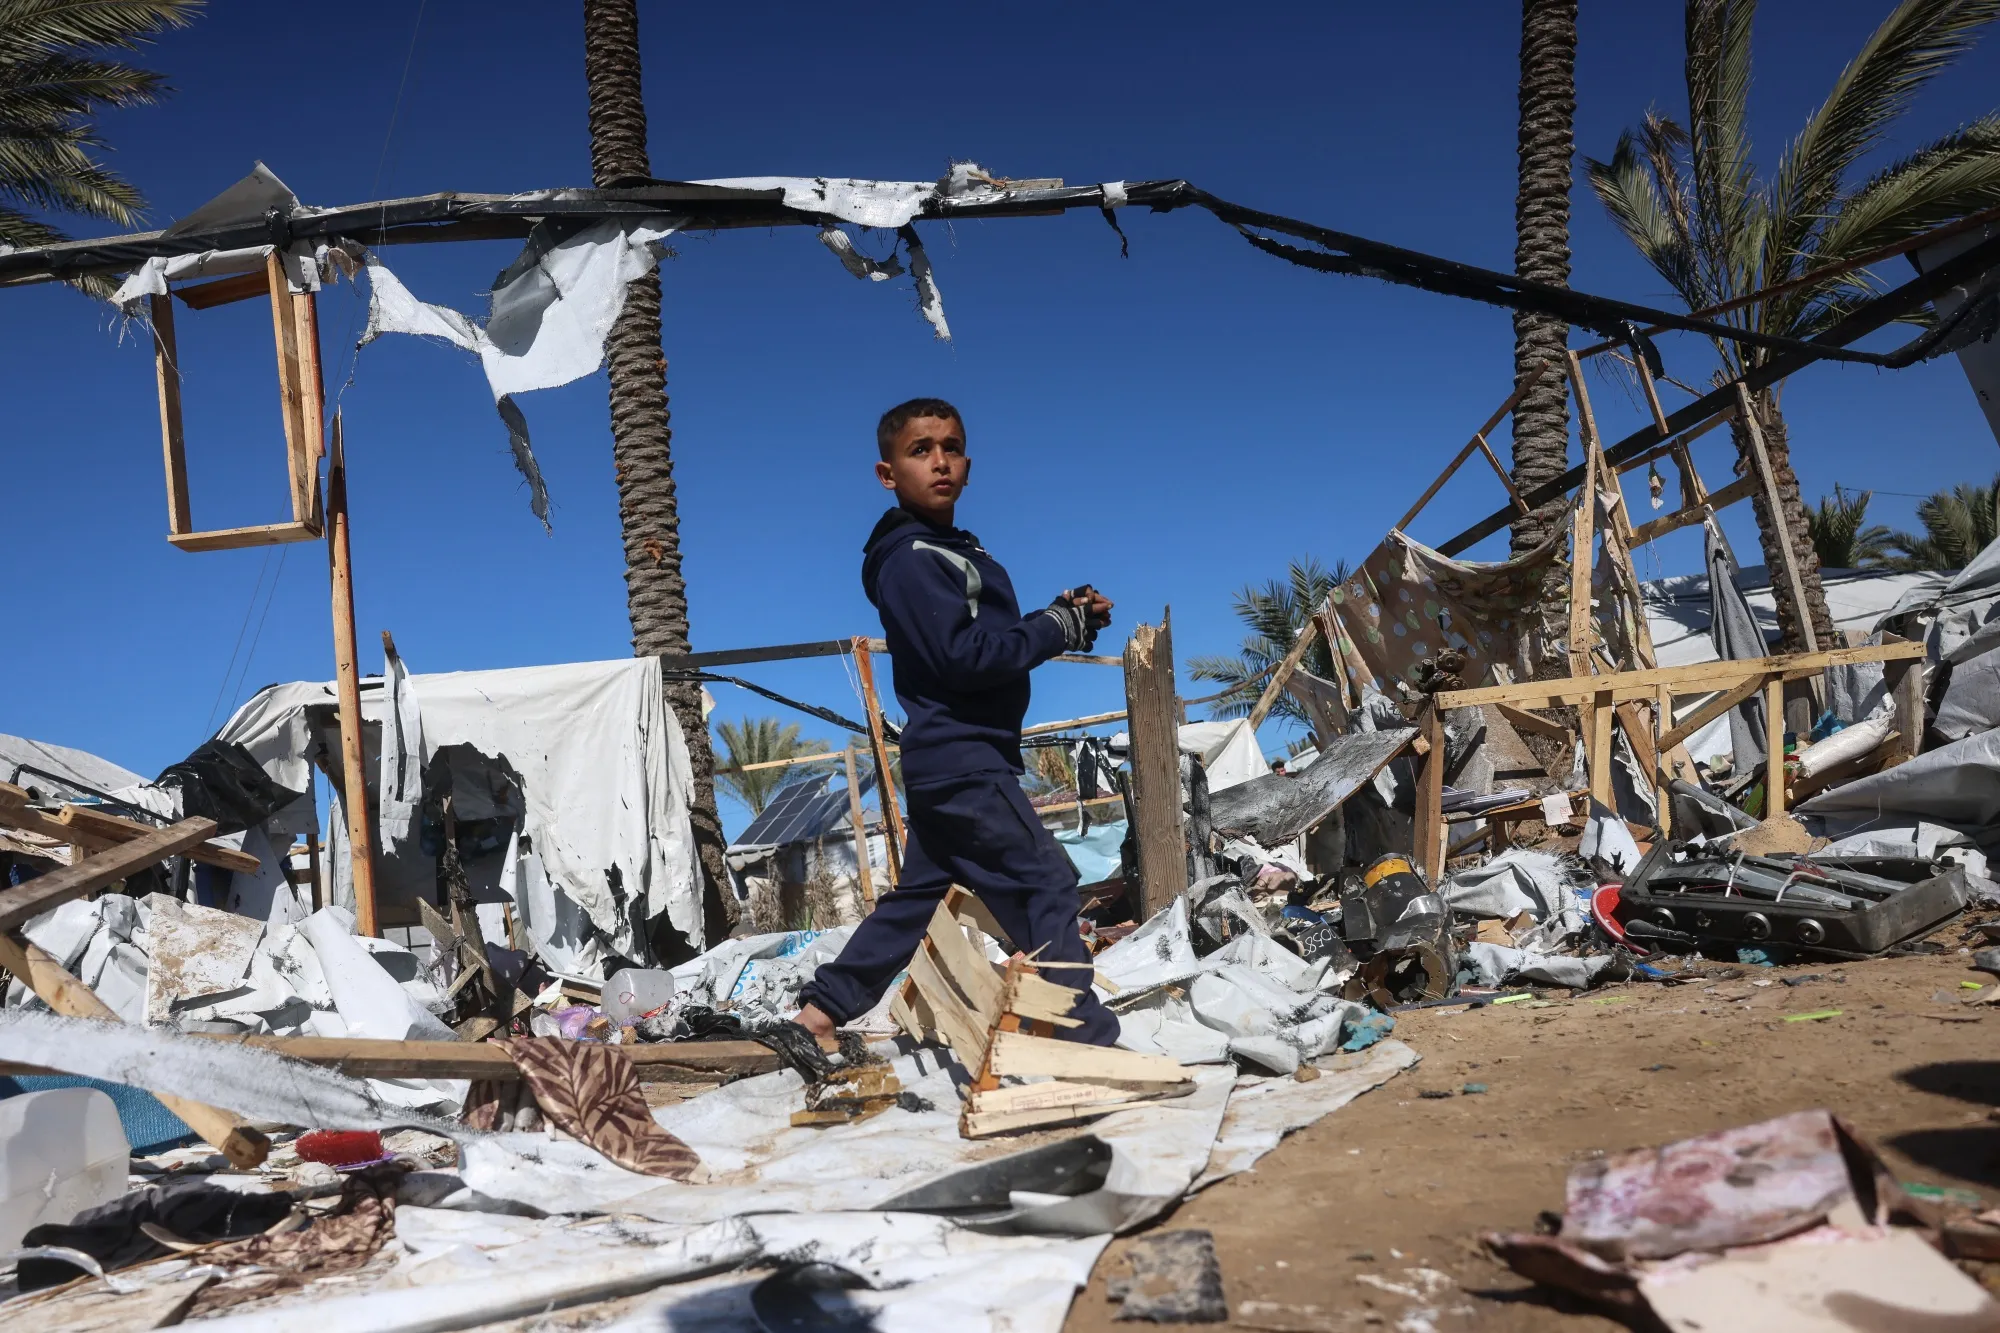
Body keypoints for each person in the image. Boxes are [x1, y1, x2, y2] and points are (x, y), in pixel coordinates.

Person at [794, 398, 1121, 1045]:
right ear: (888, 473)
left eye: (951, 446)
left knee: (916, 901)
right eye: (921, 449)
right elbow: (963, 656)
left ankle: (817, 1016)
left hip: (952, 758)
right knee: (1044, 883)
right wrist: (1056, 628)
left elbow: (986, 636)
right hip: (964, 756)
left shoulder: (952, 550)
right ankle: (1078, 1039)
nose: (939, 460)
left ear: (967, 463)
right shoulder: (912, 557)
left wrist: (1067, 614)